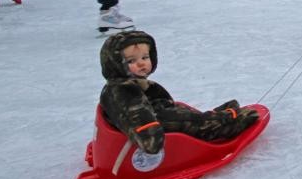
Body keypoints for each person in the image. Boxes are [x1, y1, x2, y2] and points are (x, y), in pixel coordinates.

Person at [99, 31, 259, 156]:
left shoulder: (128, 84)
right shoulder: (122, 90)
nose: (141, 63)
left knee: (185, 114)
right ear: (115, 64)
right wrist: (151, 136)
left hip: (157, 113)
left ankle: (214, 116)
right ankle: (223, 124)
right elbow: (140, 123)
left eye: (145, 57)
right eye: (131, 61)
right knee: (190, 122)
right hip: (157, 127)